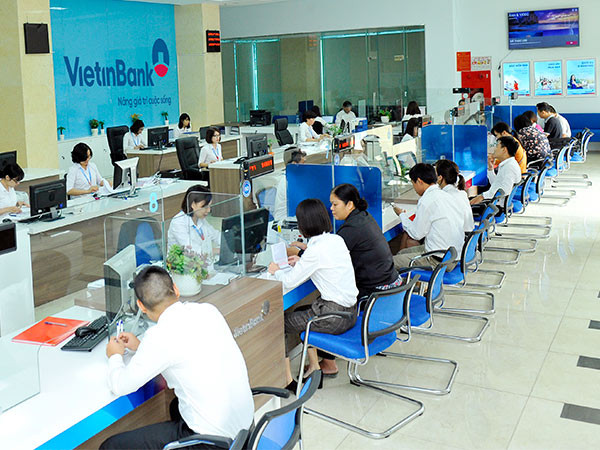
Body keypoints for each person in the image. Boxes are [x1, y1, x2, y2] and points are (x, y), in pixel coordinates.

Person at [100, 266, 254, 449]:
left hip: (215, 443)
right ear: (176, 289)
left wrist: (115, 356)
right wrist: (142, 347)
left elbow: (121, 386)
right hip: (246, 430)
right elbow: (188, 350)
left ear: (141, 306)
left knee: (111, 446)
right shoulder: (208, 310)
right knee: (175, 407)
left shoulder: (159, 337)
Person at [268, 199, 358, 391]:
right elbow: (323, 260)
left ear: (304, 225)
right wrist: (302, 261)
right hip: (350, 312)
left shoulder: (315, 252)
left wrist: (276, 270)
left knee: (278, 323)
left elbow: (288, 282)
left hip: (333, 317)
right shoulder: (336, 240)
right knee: (300, 311)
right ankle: (315, 368)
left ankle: (286, 380)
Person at [392, 163, 465, 269]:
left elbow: (416, 234)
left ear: (419, 181)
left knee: (389, 263)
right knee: (401, 253)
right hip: (453, 256)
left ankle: (407, 279)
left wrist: (401, 215)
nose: (414, 188)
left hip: (438, 261)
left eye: (413, 184)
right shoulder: (446, 195)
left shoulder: (427, 200)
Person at [167, 185, 220, 259]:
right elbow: (192, 250)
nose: (208, 210)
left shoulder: (200, 219)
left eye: (209, 206)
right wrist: (217, 250)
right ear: (193, 205)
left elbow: (216, 236)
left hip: (200, 262)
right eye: (205, 207)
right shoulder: (178, 222)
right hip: (181, 263)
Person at [470, 136, 522, 205]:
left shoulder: (510, 167)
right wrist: (490, 169)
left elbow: (504, 191)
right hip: (494, 202)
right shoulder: (508, 164)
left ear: (504, 150)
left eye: (497, 146)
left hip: (494, 205)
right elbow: (496, 184)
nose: (494, 149)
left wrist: (482, 196)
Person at [434, 160, 474, 233]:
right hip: (468, 233)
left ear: (440, 177)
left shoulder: (444, 197)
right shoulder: (461, 193)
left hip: (459, 235)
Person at [273, 149, 306, 222]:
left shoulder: (293, 177)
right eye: (303, 163)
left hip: (294, 216)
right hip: (285, 220)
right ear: (294, 165)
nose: (306, 166)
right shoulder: (286, 182)